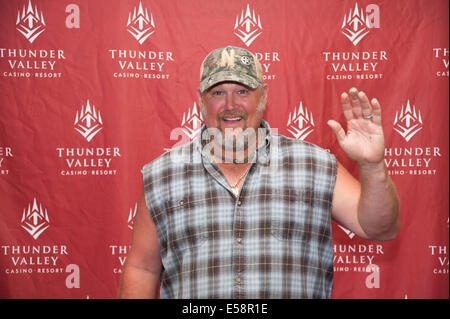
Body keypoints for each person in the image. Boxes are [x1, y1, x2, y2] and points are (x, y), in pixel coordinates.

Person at [119, 46, 400, 299]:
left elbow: (380, 228)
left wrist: (372, 166)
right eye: (218, 92)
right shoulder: (162, 175)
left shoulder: (314, 165)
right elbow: (142, 269)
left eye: (242, 91)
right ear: (200, 100)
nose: (230, 105)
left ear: (263, 95)